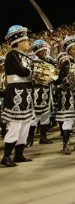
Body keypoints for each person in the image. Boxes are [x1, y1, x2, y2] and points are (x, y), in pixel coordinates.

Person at [1, 26, 34, 167]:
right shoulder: (12, 55)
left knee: (25, 125)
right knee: (15, 125)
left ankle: (19, 154)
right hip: (15, 93)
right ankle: (6, 156)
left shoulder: (23, 55)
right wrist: (35, 72)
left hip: (25, 92)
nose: (28, 43)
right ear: (18, 41)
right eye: (26, 40)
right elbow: (22, 71)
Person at [27, 39, 55, 146]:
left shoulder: (49, 60)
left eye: (44, 51)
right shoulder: (32, 62)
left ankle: (43, 137)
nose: (44, 53)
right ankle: (30, 139)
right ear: (36, 52)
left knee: (46, 116)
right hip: (36, 92)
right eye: (41, 51)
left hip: (48, 91)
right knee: (35, 116)